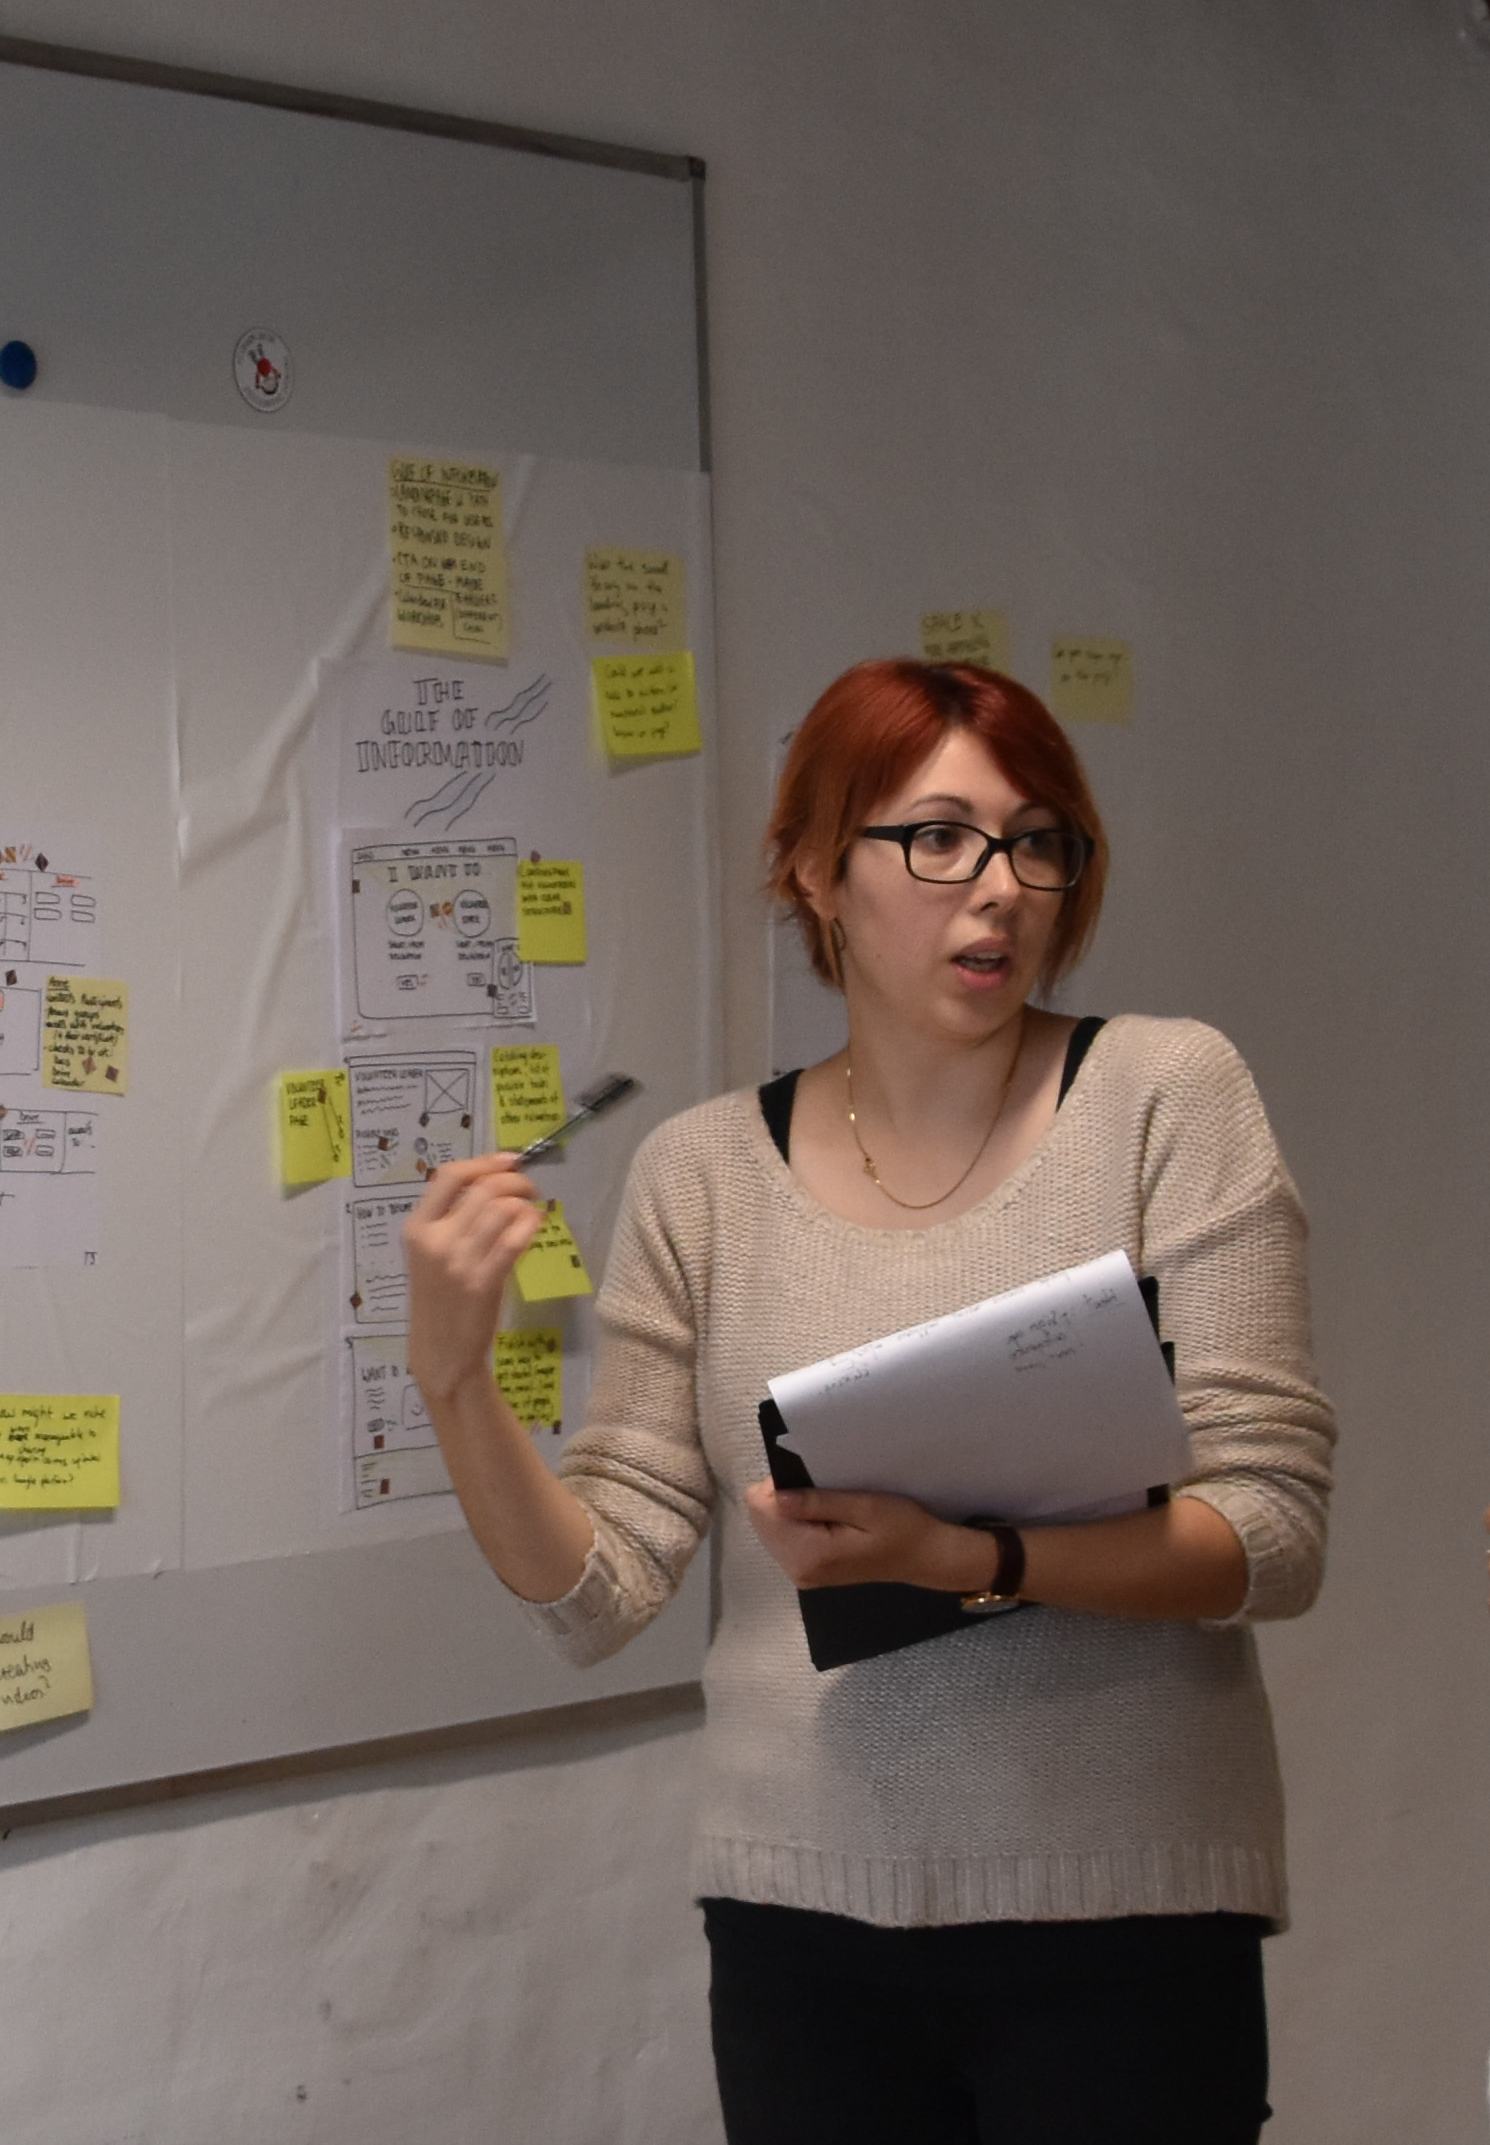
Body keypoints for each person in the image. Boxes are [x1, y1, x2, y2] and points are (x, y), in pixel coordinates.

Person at [403, 658, 1334, 2142]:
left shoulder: (1165, 1094)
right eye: (939, 837)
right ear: (813, 869)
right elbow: (595, 1598)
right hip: (802, 1933)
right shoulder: (703, 1175)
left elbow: (1270, 1538)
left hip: (1126, 1919)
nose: (1000, 888)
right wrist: (453, 1379)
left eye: (1037, 843)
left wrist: (962, 1558)